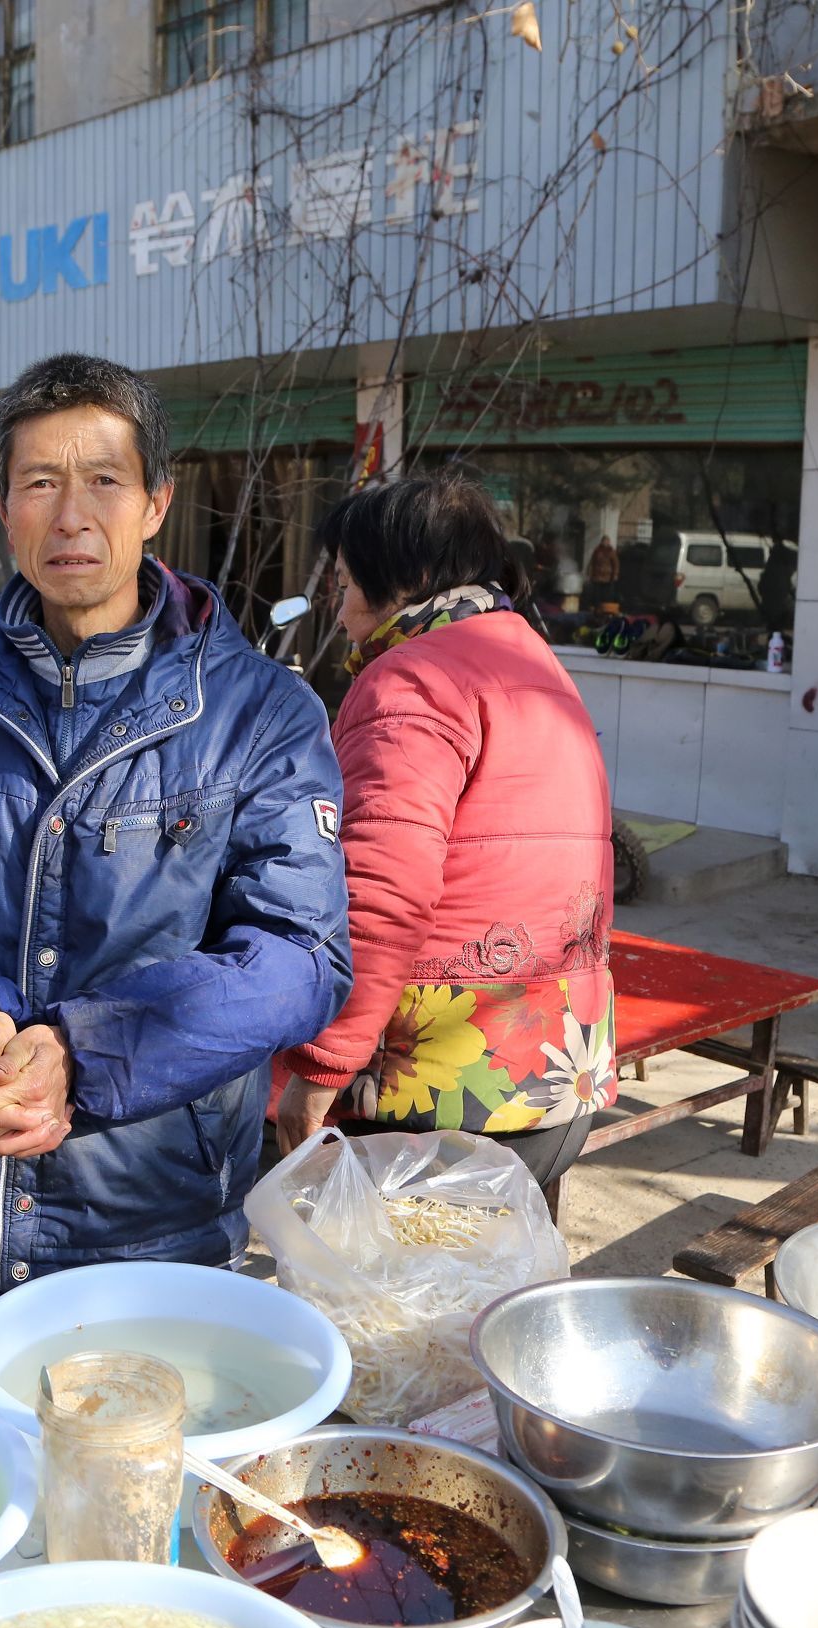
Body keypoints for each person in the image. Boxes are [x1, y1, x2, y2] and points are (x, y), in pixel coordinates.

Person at [0, 353, 352, 1384]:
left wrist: (83, 1056)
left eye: (103, 480)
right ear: (2, 506)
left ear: (156, 505)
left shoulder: (259, 714)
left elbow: (300, 956)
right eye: (40, 483)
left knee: (132, 1526)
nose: (71, 516)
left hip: (155, 1235)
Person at [274, 473, 618, 1195]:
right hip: (556, 1071)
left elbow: (382, 891)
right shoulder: (533, 658)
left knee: (380, 1301)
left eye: (345, 585)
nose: (339, 612)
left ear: (413, 578)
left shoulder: (412, 681)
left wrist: (323, 1068)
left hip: (435, 1091)